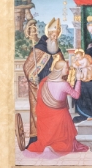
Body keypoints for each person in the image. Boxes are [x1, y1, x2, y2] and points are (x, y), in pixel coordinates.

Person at [26, 59, 89, 155]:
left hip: (47, 118)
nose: (68, 69)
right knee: (65, 143)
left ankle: (49, 146)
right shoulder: (63, 84)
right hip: (60, 118)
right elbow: (76, 95)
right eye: (66, 68)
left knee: (52, 139)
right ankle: (52, 148)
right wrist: (79, 80)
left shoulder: (45, 81)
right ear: (60, 69)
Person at [23, 17, 65, 147]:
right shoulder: (38, 49)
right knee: (39, 112)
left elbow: (64, 68)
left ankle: (53, 139)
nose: (54, 38)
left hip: (53, 88)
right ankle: (37, 139)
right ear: (48, 34)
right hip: (39, 86)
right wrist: (33, 76)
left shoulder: (57, 51)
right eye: (52, 35)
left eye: (56, 36)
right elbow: (27, 67)